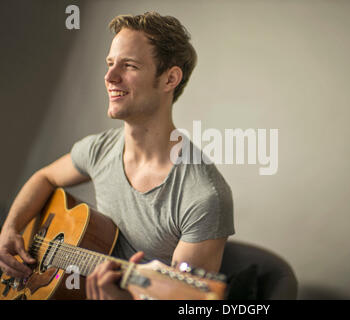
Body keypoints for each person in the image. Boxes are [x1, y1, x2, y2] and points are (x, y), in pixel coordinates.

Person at [0, 11, 234, 300]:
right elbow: (45, 177)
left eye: (129, 66)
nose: (110, 77)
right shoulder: (99, 149)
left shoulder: (202, 196)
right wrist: (10, 229)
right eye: (110, 64)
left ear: (170, 78)